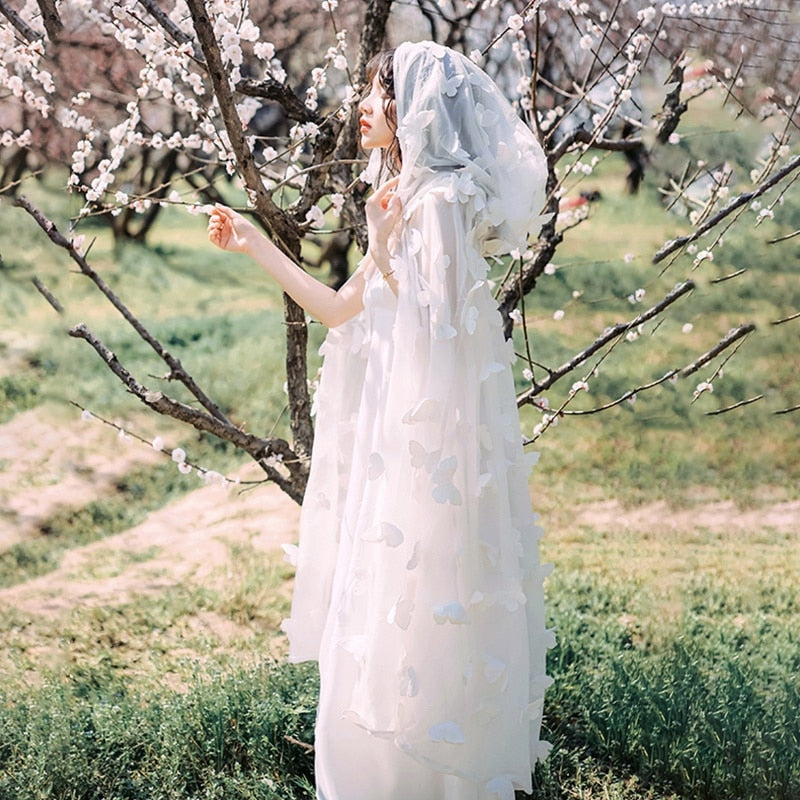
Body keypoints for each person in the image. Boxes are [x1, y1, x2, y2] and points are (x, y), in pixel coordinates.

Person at [208, 40, 554, 800]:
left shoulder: (441, 202)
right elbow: (339, 309)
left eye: (376, 94)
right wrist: (254, 243)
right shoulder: (407, 195)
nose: (362, 107)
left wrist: (384, 241)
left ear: (414, 107)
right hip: (390, 436)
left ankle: (425, 777)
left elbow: (442, 331)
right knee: (378, 598)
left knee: (424, 597)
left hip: (427, 446)